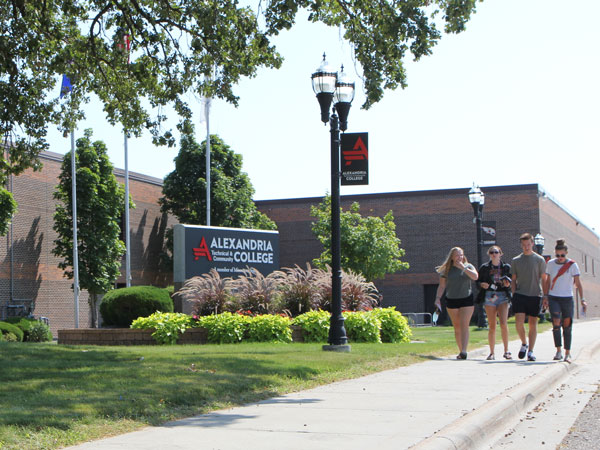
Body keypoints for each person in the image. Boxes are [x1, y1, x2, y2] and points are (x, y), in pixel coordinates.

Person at [543, 239, 586, 363]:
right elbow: (547, 280)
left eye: (562, 255)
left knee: (567, 325)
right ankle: (558, 350)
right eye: (557, 255)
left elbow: (578, 283)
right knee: (556, 322)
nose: (560, 258)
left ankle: (567, 352)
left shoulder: (572, 265)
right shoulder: (550, 264)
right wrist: (545, 296)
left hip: (567, 298)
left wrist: (582, 299)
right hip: (554, 297)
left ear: (566, 253)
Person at [434, 247, 479, 359]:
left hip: (466, 299)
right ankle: (460, 350)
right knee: (457, 327)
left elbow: (475, 277)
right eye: (457, 255)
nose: (460, 257)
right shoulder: (447, 270)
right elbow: (442, 285)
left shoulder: (468, 266)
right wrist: (437, 298)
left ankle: (464, 351)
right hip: (452, 299)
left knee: (464, 325)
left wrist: (463, 268)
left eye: (461, 255)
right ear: (452, 257)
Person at [511, 233, 548, 361]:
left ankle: (531, 351)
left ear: (532, 244)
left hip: (535, 295)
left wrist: (545, 295)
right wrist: (514, 293)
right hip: (520, 294)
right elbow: (513, 279)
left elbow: (544, 279)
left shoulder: (539, 260)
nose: (526, 247)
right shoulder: (516, 260)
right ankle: (524, 343)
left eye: (528, 244)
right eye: (524, 245)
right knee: (519, 322)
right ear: (521, 245)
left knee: (533, 323)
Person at [477, 246, 512, 360]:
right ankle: (492, 353)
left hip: (502, 295)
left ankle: (506, 351)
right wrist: (482, 284)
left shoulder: (506, 267)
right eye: (491, 252)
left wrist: (508, 284)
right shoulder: (485, 267)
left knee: (503, 323)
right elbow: (478, 281)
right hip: (490, 295)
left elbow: (512, 281)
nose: (494, 254)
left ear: (500, 254)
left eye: (496, 252)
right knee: (492, 325)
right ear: (489, 254)